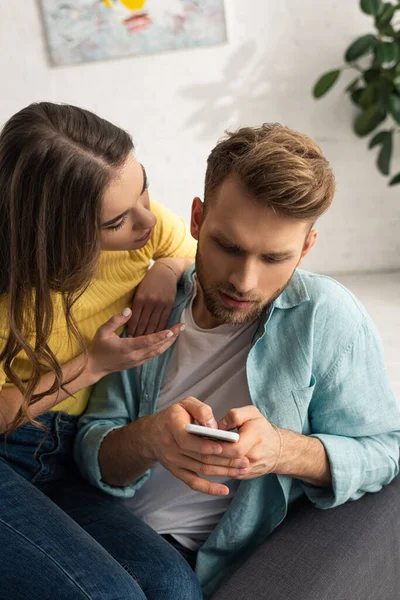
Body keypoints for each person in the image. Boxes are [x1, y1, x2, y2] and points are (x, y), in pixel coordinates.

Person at [75, 123, 400, 598]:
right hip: (100, 529)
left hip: (196, 559)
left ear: (306, 247)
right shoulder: (152, 305)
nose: (245, 281)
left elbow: (385, 450)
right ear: (197, 219)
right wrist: (149, 439)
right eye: (229, 247)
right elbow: (91, 451)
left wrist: (281, 451)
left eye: (275, 258)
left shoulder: (324, 316)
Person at [0, 102, 202, 599]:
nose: (147, 219)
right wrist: (93, 364)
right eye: (116, 221)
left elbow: (195, 251)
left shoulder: (145, 233)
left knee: (174, 585)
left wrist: (168, 268)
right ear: (55, 233)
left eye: (144, 187)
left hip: (71, 453)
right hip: (10, 448)